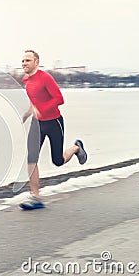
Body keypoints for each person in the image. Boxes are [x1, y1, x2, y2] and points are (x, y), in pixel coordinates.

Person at [20, 49, 87, 210]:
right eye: (22, 61)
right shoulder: (26, 80)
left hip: (53, 122)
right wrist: (28, 113)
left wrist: (41, 109)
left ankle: (77, 147)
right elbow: (34, 100)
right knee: (31, 158)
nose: (24, 63)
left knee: (57, 160)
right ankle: (35, 197)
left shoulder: (45, 78)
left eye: (27, 60)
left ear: (36, 62)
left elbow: (59, 99)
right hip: (37, 124)